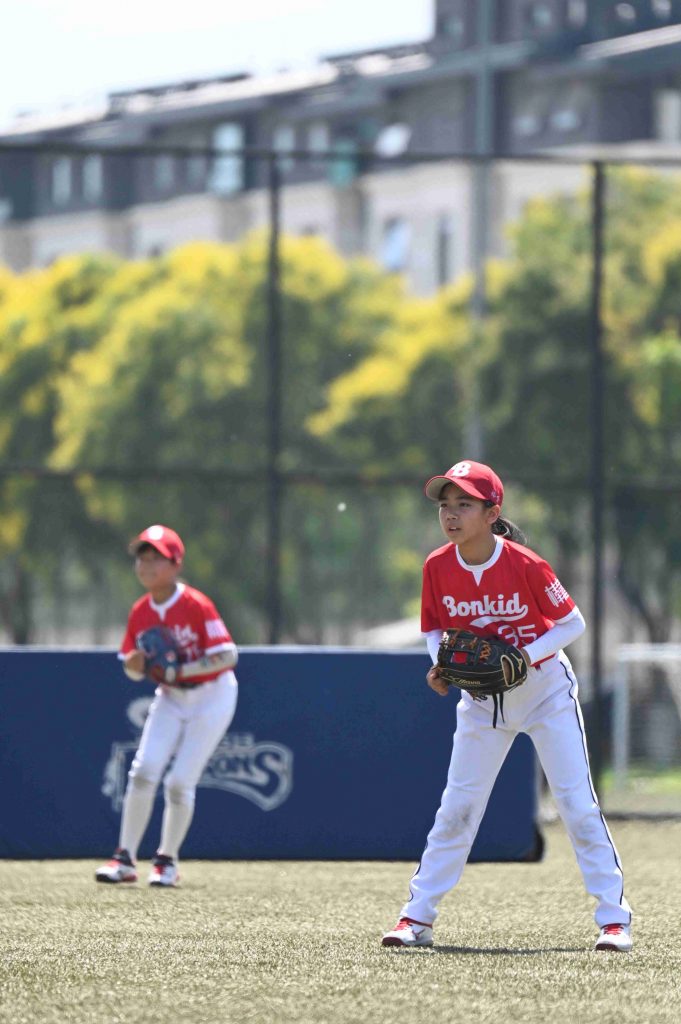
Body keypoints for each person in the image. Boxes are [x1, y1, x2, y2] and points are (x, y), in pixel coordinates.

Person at [381, 460, 632, 952]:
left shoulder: (525, 564)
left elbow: (573, 624)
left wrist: (523, 655)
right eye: (445, 505)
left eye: (464, 504)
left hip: (545, 694)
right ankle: (416, 917)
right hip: (480, 702)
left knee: (576, 806)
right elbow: (434, 629)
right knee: (457, 809)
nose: (451, 514)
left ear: (492, 513)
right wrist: (442, 665)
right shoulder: (437, 566)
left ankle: (614, 920)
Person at [96, 524, 238, 887]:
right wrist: (136, 664)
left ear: (176, 564)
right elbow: (132, 667)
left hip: (213, 696)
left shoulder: (195, 604)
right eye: (142, 558)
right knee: (144, 771)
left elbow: (227, 655)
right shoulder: (140, 611)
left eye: (156, 558)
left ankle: (166, 861)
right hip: (172, 697)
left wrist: (180, 670)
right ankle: (124, 859)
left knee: (178, 782)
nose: (146, 565)